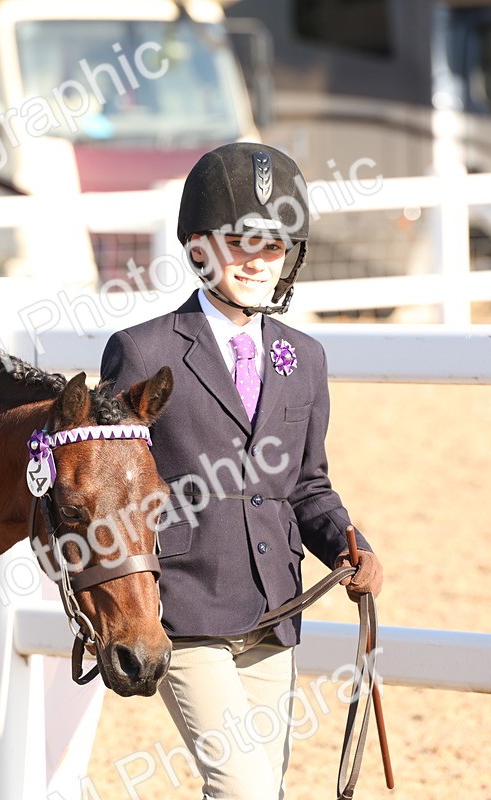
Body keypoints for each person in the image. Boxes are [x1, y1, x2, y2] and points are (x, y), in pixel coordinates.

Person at [100, 142, 384, 799]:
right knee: (244, 789)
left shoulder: (302, 358)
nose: (258, 260)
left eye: (273, 246)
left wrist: (350, 543)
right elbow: (111, 490)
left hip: (274, 609)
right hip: (185, 608)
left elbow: (307, 484)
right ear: (199, 246)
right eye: (240, 241)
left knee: (262, 791)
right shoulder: (143, 351)